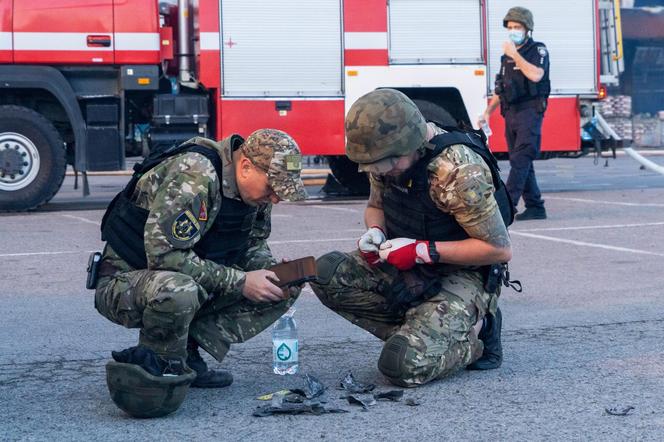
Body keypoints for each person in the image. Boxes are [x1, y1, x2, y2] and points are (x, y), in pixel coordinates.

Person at [93, 129, 307, 416]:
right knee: (179, 291)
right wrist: (242, 281)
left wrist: (268, 270)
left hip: (188, 274)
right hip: (127, 280)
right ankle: (160, 361)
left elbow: (251, 243)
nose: (275, 198)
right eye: (272, 188)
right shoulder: (196, 174)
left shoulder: (255, 196)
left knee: (286, 281)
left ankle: (185, 350)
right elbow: (164, 256)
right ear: (245, 167)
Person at [310, 89, 513, 387]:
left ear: (411, 144)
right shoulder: (385, 155)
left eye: (387, 164)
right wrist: (375, 232)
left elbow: (498, 250)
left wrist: (422, 251)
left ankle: (475, 337)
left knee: (401, 367)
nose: (381, 171)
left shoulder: (457, 170)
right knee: (325, 273)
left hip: (464, 272)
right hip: (407, 261)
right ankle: (422, 330)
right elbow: (375, 206)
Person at [480, 6, 550, 221]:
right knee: (520, 160)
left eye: (517, 27)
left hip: (530, 111)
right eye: (510, 27)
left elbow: (536, 75)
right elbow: (501, 89)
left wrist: (515, 55)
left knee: (521, 158)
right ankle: (536, 206)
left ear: (527, 29)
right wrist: (487, 112)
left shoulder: (537, 51)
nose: (513, 31)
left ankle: (504, 207)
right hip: (511, 112)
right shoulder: (506, 57)